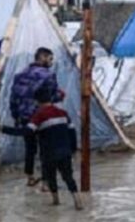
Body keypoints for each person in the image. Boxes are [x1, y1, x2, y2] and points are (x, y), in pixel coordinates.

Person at [27, 86, 83, 210]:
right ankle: (77, 200)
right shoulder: (63, 113)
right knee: (68, 177)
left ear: (37, 101)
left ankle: (56, 200)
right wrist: (73, 149)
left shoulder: (39, 115)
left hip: (48, 153)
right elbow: (72, 132)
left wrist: (3, 129)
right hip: (65, 152)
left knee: (51, 176)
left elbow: (27, 131)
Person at [10, 47, 58, 186]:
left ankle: (30, 177)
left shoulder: (20, 75)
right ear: (43, 57)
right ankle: (45, 181)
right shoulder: (48, 75)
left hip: (25, 117)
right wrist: (60, 96)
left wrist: (16, 117)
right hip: (42, 117)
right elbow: (52, 96)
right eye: (50, 59)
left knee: (30, 148)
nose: (51, 62)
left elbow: (13, 99)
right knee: (46, 148)